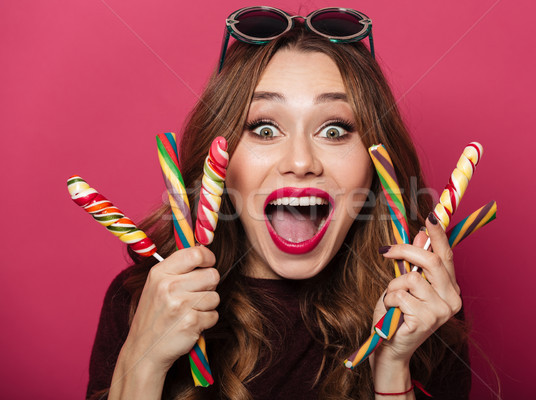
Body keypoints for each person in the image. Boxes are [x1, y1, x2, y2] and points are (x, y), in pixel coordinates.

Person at [87, 7, 471, 400]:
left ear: (376, 163)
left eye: (334, 129)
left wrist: (392, 368)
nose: (301, 162)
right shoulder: (143, 300)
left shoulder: (422, 308)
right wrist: (144, 359)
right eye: (265, 129)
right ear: (221, 159)